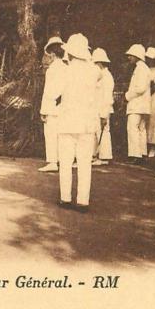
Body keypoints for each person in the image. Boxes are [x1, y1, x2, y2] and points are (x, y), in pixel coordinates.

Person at [53, 33, 101, 213]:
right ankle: (83, 200)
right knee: (84, 163)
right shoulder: (94, 70)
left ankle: (65, 198)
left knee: (65, 162)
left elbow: (54, 93)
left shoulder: (65, 70)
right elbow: (97, 74)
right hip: (87, 123)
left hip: (67, 122)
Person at [38, 36, 66, 173]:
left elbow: (48, 91)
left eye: (48, 55)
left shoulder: (52, 69)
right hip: (63, 107)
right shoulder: (66, 68)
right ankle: (61, 160)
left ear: (53, 55)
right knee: (61, 135)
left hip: (52, 106)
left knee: (50, 135)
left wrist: (43, 111)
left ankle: (52, 161)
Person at [124, 44, 151, 164]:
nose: (129, 57)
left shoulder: (141, 69)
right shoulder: (142, 68)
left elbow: (140, 88)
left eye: (131, 55)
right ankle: (142, 153)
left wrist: (127, 96)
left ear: (136, 56)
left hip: (137, 104)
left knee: (133, 128)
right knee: (141, 129)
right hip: (142, 105)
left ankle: (135, 154)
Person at [92, 47, 114, 166]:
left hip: (103, 108)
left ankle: (104, 156)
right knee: (97, 131)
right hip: (97, 108)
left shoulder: (107, 77)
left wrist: (104, 114)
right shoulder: (100, 76)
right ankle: (96, 154)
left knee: (104, 131)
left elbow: (107, 97)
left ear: (99, 63)